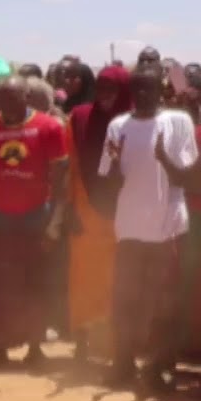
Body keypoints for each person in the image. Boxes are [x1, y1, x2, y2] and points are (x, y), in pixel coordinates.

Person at [104, 64, 196, 388]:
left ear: (161, 90)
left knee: (166, 301)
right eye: (137, 89)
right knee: (125, 298)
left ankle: (160, 366)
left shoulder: (178, 121)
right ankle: (123, 362)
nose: (143, 95)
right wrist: (114, 164)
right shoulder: (118, 126)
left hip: (167, 229)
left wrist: (162, 156)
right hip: (128, 228)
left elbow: (187, 177)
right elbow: (110, 183)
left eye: (149, 88)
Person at [0, 76, 69, 366]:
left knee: (34, 282)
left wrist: (54, 222)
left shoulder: (48, 127)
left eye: (13, 98)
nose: (6, 105)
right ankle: (0, 346)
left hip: (36, 215)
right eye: (1, 99)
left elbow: (60, 174)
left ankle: (35, 346)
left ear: (26, 97)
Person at [66, 66, 132, 360]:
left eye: (112, 90)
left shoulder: (136, 121)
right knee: (84, 278)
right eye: (101, 89)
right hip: (86, 211)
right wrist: (68, 207)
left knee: (119, 280)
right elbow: (69, 165)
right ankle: (82, 341)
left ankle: (116, 347)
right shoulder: (79, 117)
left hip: (127, 213)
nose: (105, 96)